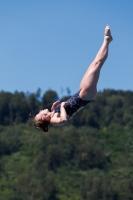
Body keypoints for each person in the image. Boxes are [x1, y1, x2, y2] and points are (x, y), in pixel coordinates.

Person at [30, 25, 113, 132]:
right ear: (44, 117)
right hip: (85, 96)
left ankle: (107, 40)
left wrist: (54, 108)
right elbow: (64, 120)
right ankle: (106, 40)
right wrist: (62, 106)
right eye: (39, 113)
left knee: (93, 64)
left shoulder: (52, 115)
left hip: (82, 94)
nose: (40, 110)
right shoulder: (54, 120)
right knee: (97, 64)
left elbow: (58, 114)